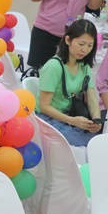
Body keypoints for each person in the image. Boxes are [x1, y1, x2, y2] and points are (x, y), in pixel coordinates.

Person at [36, 19, 102, 147]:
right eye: (81, 44)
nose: (84, 50)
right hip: (48, 119)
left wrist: (96, 119)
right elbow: (44, 106)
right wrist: (71, 121)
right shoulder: (53, 66)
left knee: (99, 139)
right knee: (87, 143)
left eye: (90, 45)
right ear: (67, 40)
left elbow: (91, 97)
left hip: (70, 116)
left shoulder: (84, 66)